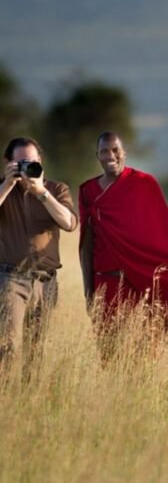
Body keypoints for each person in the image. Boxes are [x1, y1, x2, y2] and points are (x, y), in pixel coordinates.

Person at [79, 131, 168, 362]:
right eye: (104, 151)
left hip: (141, 286)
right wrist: (89, 292)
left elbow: (165, 237)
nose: (111, 155)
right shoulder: (88, 191)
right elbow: (85, 246)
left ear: (124, 152)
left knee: (143, 356)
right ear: (97, 155)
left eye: (115, 150)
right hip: (105, 285)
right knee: (110, 359)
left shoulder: (144, 184)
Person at [0, 137, 78, 382]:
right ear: (8, 163)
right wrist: (7, 185)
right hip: (10, 279)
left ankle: (28, 403)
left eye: (32, 162)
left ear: (41, 162)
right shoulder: (3, 188)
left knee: (36, 351)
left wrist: (41, 192)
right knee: (7, 347)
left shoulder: (56, 189)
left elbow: (69, 223)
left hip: (46, 282)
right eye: (20, 162)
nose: (26, 167)